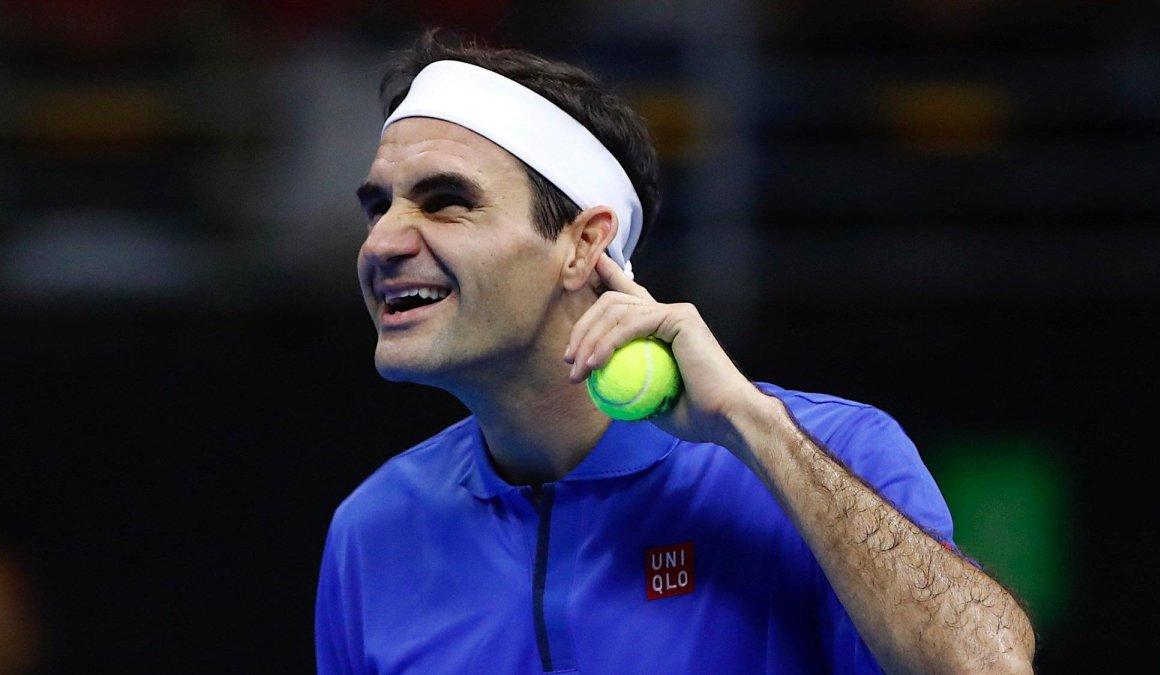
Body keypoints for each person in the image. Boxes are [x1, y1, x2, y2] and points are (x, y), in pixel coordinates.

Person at [316, 30, 1035, 674]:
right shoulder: (369, 533)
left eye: (445, 201)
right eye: (378, 206)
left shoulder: (834, 453)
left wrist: (752, 427)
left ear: (583, 244)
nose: (382, 242)